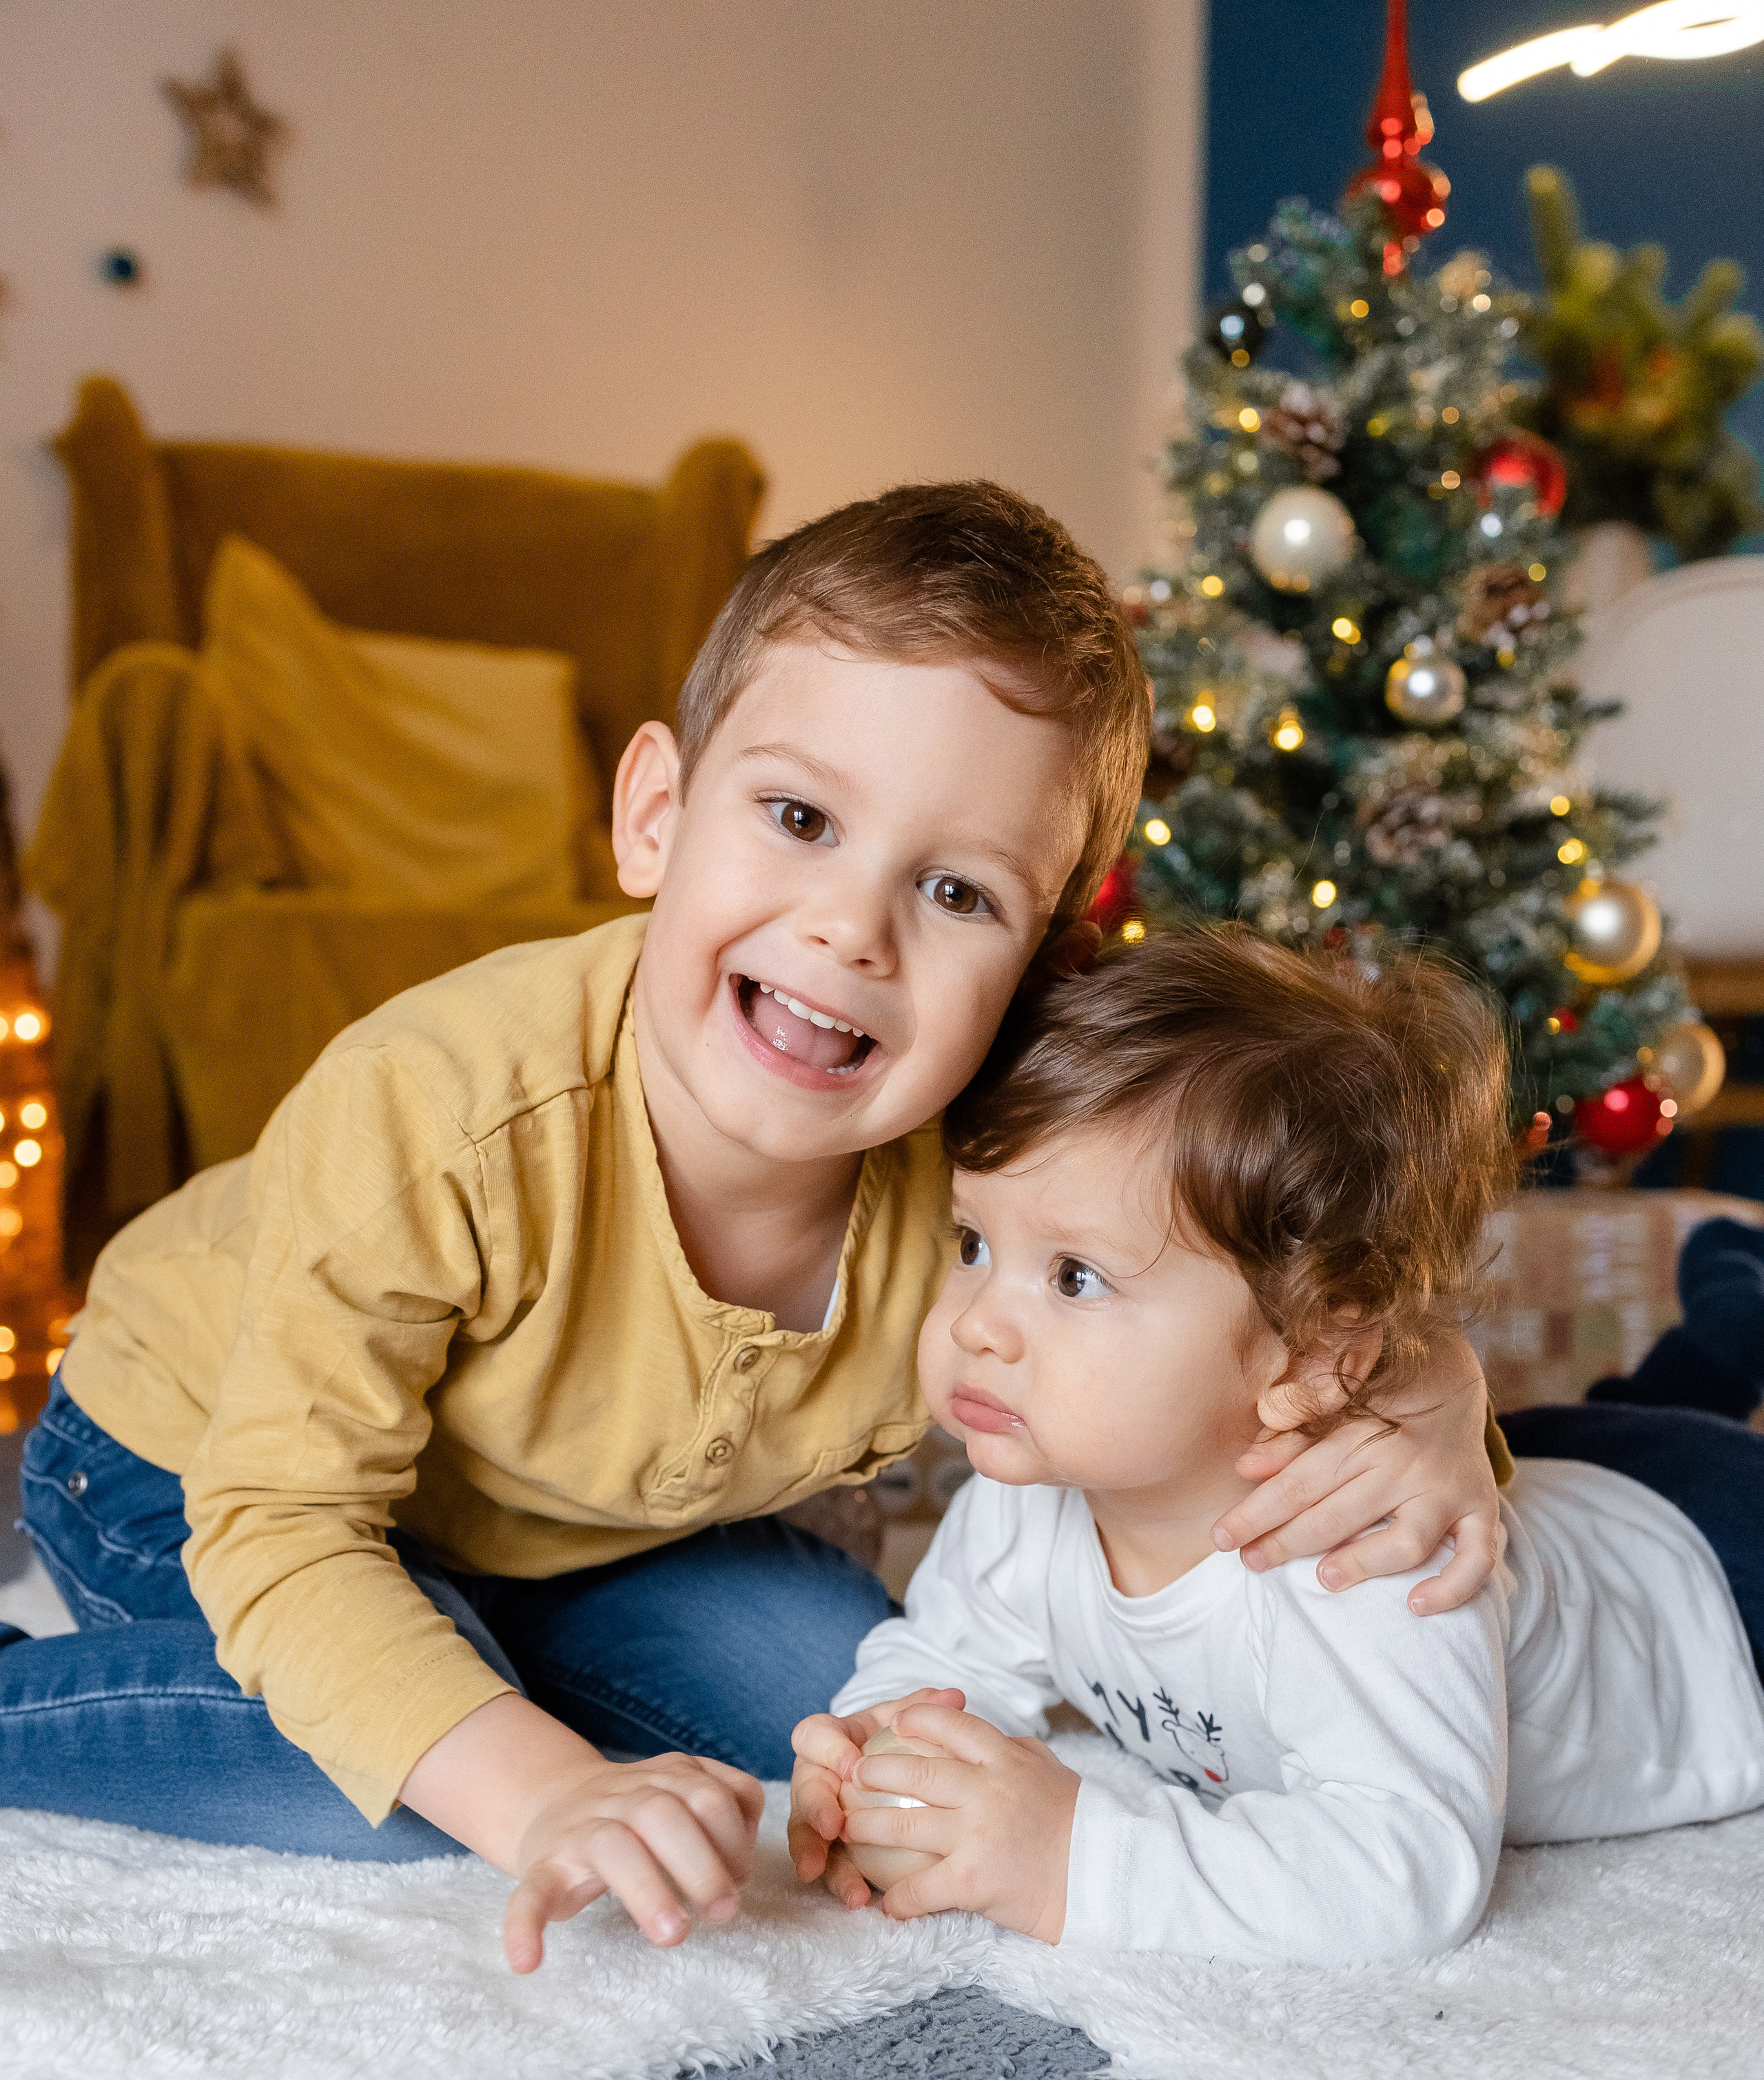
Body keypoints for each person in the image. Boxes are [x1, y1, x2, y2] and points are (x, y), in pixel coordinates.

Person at [3, 488, 1504, 1973]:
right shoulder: (436, 1110)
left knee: (839, 1711)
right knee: (400, 1791)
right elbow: (285, 1528)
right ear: (655, 815)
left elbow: (1241, 1258)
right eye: (796, 818)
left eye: (954, 891)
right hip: (191, 1462)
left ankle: (480, 1662)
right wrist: (538, 1790)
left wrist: (1428, 1401)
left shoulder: (985, 1172)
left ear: (1036, 968)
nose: (851, 930)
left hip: (575, 1531)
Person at [790, 928, 1764, 1963]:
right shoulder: (1037, 1483)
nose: (978, 1321)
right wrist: (871, 1745)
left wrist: (1071, 1858)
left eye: (1075, 1276)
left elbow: (1405, 1877)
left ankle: (1736, 1311)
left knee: (1675, 1430)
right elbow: (949, 1654)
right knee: (1630, 1407)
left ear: (1311, 1353)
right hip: (1562, 1474)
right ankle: (1728, 1317)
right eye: (973, 1244)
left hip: (1716, 1574)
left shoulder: (1361, 1564)